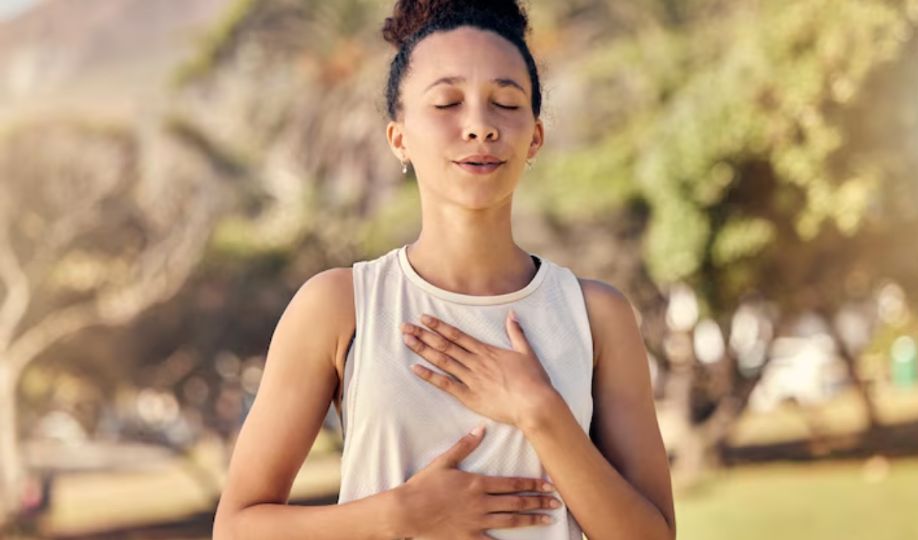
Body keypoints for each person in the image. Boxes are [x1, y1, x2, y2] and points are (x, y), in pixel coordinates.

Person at [212, 1, 675, 538]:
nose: (480, 126)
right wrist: (401, 514)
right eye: (447, 102)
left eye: (505, 102)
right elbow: (237, 528)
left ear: (535, 138)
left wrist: (541, 411)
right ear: (399, 138)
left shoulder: (595, 314)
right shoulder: (341, 305)